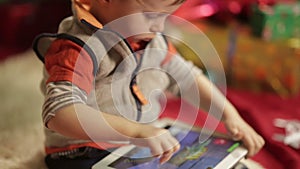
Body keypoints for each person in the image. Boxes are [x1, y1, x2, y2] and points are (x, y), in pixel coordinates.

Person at [33, 0, 265, 168]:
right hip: (81, 152)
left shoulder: (153, 41)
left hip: (140, 139)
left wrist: (230, 116)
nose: (159, 28)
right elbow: (60, 112)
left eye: (165, 17)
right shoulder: (78, 48)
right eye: (151, 16)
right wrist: (136, 131)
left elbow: (188, 78)